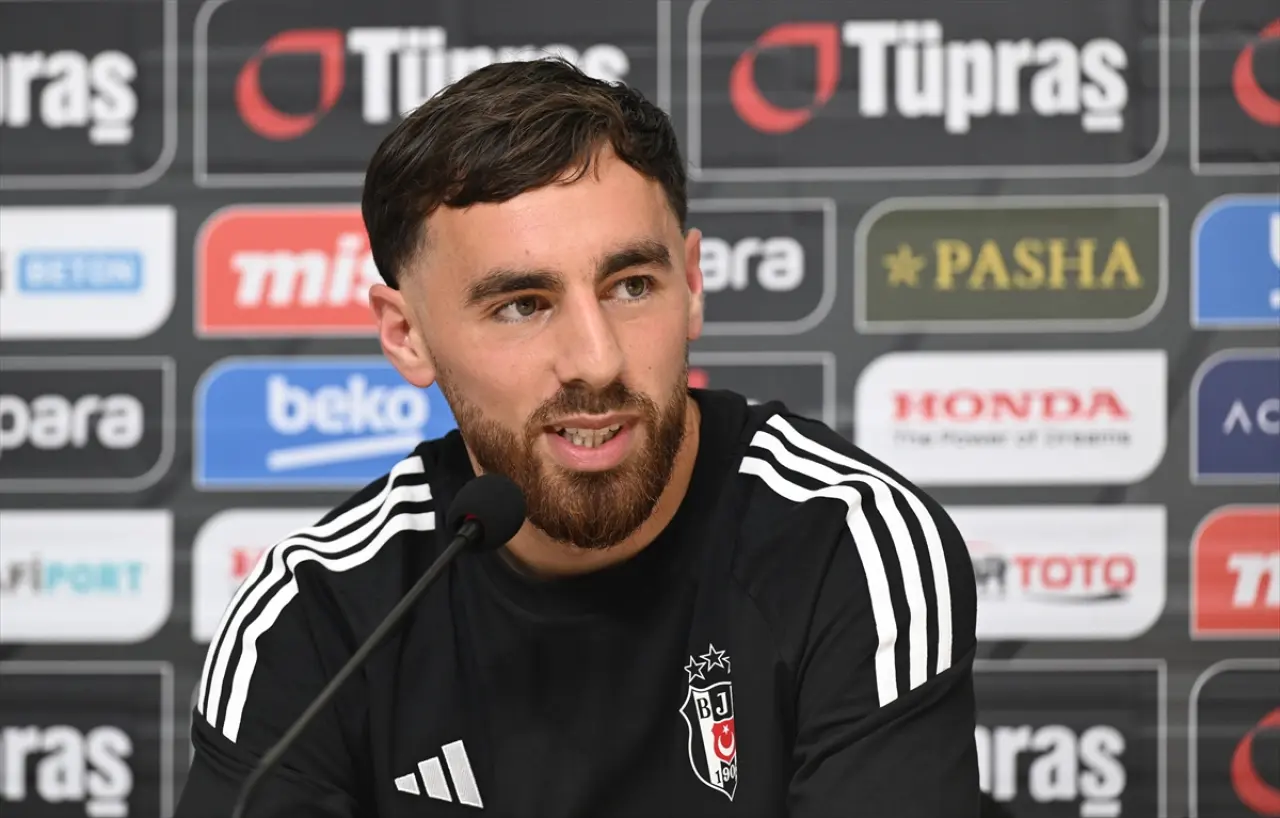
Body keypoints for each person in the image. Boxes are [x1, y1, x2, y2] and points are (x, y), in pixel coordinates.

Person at [176, 57, 980, 818]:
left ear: (693, 285)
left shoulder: (847, 545)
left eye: (632, 286)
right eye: (522, 305)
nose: (596, 360)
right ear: (406, 336)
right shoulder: (315, 616)